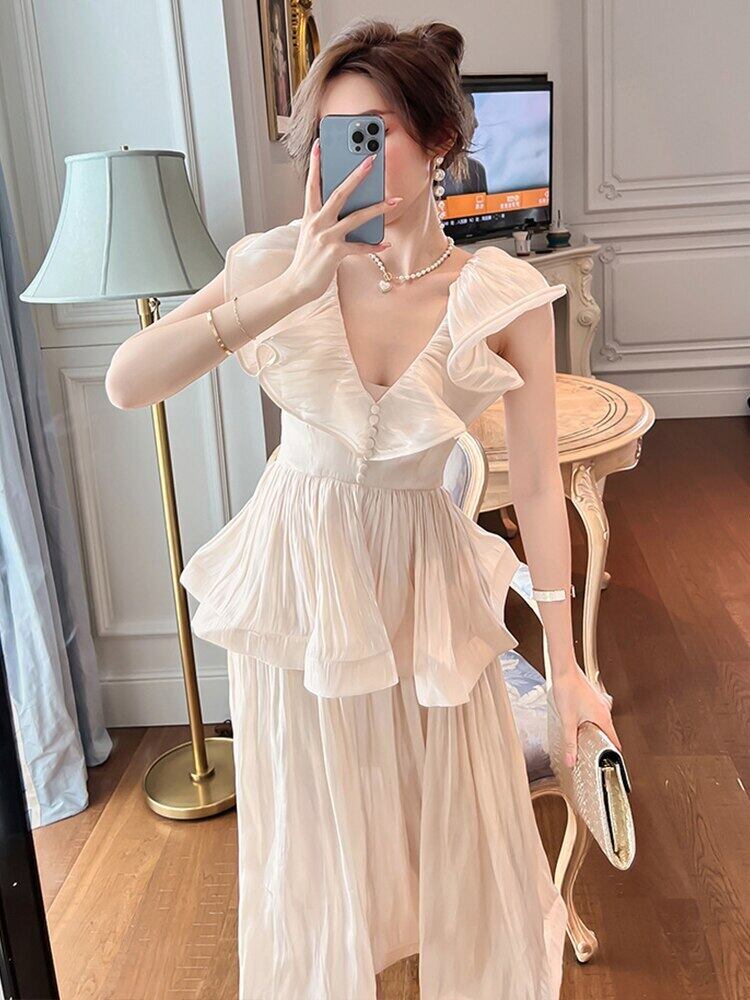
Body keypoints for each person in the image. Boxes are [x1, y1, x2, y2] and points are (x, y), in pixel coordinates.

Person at [105, 18, 621, 1000]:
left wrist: (566, 668)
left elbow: (538, 490)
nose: (356, 158)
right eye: (337, 136)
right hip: (301, 586)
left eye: (377, 131)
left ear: (440, 138)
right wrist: (285, 289)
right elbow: (128, 382)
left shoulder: (505, 295)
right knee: (318, 847)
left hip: (427, 588)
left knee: (462, 841)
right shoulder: (273, 263)